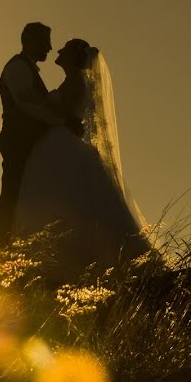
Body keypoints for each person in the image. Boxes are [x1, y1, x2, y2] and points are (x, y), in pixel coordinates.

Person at [12, 38, 152, 277]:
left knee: (65, 199)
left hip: (61, 146)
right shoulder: (72, 81)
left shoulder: (76, 82)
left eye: (64, 50)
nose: (58, 51)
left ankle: (69, 262)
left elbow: (64, 113)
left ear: (74, 58)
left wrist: (36, 108)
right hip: (57, 144)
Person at [0, 22, 81, 249]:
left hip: (27, 139)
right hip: (17, 139)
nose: (50, 48)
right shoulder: (18, 68)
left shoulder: (26, 68)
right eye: (45, 42)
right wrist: (62, 121)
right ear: (31, 41)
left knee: (24, 192)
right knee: (13, 191)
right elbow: (26, 103)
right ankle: (1, 245)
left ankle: (20, 245)